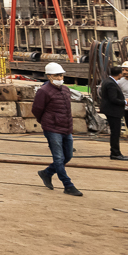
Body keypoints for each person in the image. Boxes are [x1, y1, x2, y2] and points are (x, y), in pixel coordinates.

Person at [33, 62, 85, 193]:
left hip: (66, 128)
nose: (60, 78)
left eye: (61, 75)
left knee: (68, 156)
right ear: (49, 76)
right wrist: (45, 122)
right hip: (52, 129)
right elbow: (37, 109)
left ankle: (47, 173)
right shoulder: (43, 91)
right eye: (57, 75)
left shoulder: (66, 90)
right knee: (59, 158)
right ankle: (68, 185)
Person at [98, 64, 128, 160]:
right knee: (115, 132)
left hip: (111, 110)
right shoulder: (111, 83)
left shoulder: (107, 81)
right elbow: (113, 99)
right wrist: (125, 102)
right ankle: (115, 153)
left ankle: (116, 152)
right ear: (119, 74)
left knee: (115, 132)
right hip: (113, 111)